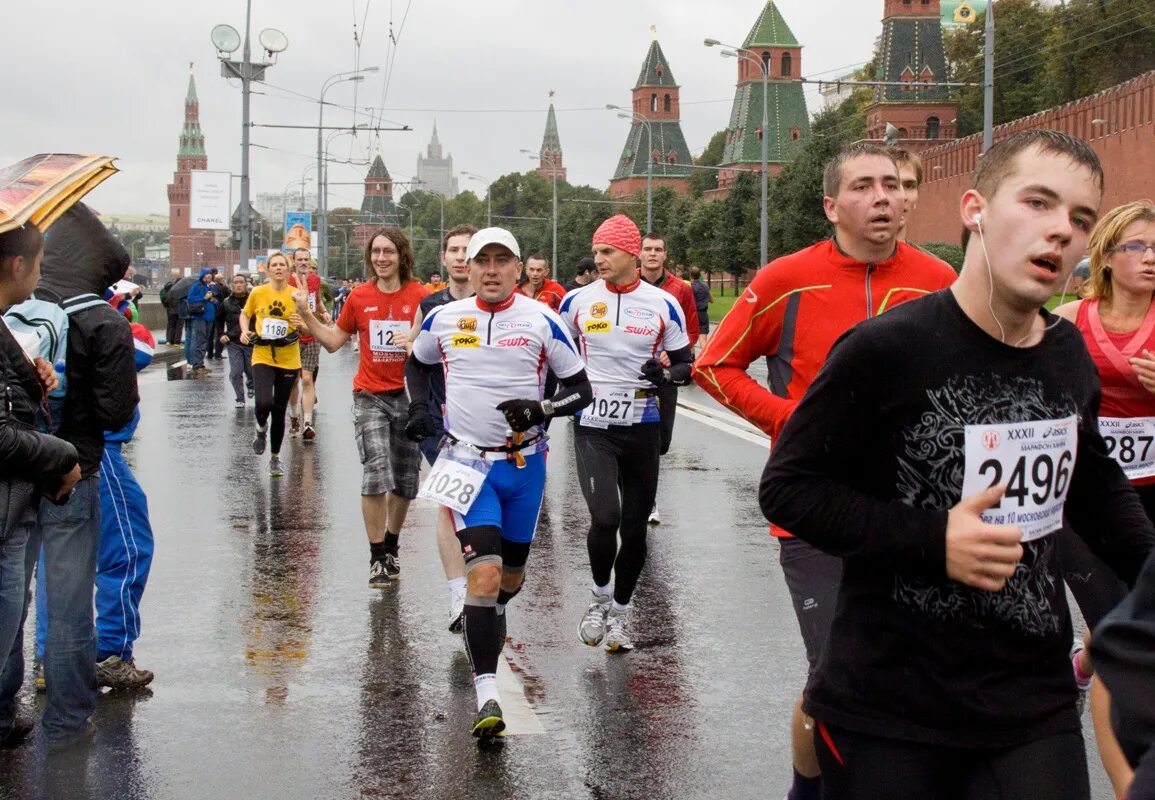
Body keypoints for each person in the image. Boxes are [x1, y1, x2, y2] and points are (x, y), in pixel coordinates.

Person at [760, 130, 1155, 799]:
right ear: (975, 208)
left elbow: (1091, 487)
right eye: (1036, 202)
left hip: (1030, 698)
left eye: (1079, 219)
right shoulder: (887, 348)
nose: (1059, 230)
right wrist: (933, 540)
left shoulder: (1065, 353)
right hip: (893, 702)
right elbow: (790, 490)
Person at [692, 142, 957, 800]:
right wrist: (788, 421)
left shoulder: (938, 280)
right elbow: (712, 365)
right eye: (864, 186)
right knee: (835, 672)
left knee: (907, 671)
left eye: (893, 185)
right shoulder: (787, 278)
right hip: (815, 515)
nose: (883, 197)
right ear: (831, 205)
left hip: (911, 515)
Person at [405, 227, 592, 740]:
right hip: (467, 465)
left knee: (508, 580)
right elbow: (416, 365)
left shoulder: (544, 320)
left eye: (500, 261)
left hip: (524, 468)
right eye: (481, 260)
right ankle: (487, 694)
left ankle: (492, 615)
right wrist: (420, 410)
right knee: (482, 579)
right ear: (467, 267)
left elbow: (582, 389)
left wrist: (542, 408)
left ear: (517, 269)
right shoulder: (444, 318)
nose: (490, 269)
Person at [1, 203, 138, 749]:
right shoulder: (104, 321)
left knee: (14, 596)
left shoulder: (27, 313)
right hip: (71, 471)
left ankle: (6, 710)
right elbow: (116, 415)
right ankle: (67, 717)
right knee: (69, 602)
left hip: (18, 477)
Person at [1055, 200, 1155, 797]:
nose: (1152, 259)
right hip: (1086, 499)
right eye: (1138, 247)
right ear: (1108, 257)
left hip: (1153, 493)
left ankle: (1085, 660)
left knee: (1139, 620)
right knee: (1121, 623)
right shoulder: (1069, 321)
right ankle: (1128, 786)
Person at [558, 215, 693, 652]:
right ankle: (598, 597)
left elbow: (686, 365)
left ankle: (620, 611)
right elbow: (555, 357)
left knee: (634, 531)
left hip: (642, 426)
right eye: (596, 251)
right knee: (605, 518)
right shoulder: (577, 301)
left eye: (607, 252)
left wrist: (666, 373)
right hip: (593, 425)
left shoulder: (662, 303)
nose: (599, 259)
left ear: (631, 255)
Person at [291, 228, 427, 586]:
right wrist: (306, 313)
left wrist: (414, 342)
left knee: (405, 481)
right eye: (376, 252)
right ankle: (377, 554)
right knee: (376, 470)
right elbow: (335, 342)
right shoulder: (359, 296)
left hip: (411, 398)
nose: (381, 258)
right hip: (369, 395)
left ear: (401, 256)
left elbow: (436, 347)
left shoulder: (420, 296)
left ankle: (393, 545)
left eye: (388, 252)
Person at [0, 223, 81, 747]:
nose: (41, 270)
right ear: (16, 265)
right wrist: (64, 457)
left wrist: (33, 376)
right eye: (39, 260)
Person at [409, 224, 477, 631]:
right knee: (453, 502)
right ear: (444, 258)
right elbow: (415, 358)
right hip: (440, 422)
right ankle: (458, 596)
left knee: (482, 505)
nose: (460, 257)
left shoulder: (499, 303)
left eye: (467, 250)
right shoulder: (431, 306)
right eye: (453, 250)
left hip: (488, 425)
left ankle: (484, 583)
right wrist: (418, 406)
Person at [638, 232, 699, 524]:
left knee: (661, 441)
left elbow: (692, 329)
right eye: (647, 249)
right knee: (637, 438)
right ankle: (646, 501)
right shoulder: (627, 285)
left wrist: (672, 355)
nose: (652, 254)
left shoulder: (680, 289)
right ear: (639, 254)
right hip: (633, 374)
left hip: (665, 374)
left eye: (657, 249)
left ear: (665, 255)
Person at [240, 252, 301, 478]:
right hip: (263, 355)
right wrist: (246, 330)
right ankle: (260, 428)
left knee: (279, 409)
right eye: (274, 265)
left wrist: (300, 322)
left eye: (281, 265)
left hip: (288, 357)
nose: (278, 268)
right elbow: (245, 315)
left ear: (288, 269)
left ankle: (275, 458)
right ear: (267, 269)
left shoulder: (296, 295)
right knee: (263, 401)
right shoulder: (257, 292)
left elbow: (307, 323)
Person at [288, 249, 330, 440]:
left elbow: (318, 301)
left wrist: (325, 312)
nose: (304, 262)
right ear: (294, 262)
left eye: (307, 259)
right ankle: (294, 416)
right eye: (300, 259)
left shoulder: (315, 280)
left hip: (312, 333)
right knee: (292, 381)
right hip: (292, 335)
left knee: (307, 378)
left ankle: (307, 422)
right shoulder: (287, 281)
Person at [219, 273, 255, 408]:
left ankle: (251, 384)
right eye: (236, 282)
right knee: (236, 371)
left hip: (251, 342)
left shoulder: (253, 300)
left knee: (251, 370)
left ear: (246, 284)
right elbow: (218, 320)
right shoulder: (226, 302)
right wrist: (221, 334)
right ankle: (240, 398)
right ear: (231, 285)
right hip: (233, 342)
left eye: (241, 282)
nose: (238, 285)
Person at [185, 267, 218, 378]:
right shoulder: (197, 286)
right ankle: (197, 365)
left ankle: (201, 364)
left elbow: (215, 301)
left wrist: (214, 300)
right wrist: (204, 297)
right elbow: (190, 299)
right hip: (200, 317)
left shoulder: (212, 287)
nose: (208, 277)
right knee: (199, 341)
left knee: (205, 340)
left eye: (210, 275)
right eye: (206, 275)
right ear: (202, 277)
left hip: (210, 317)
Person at [889, 147, 923, 242]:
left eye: (909, 186)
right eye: (891, 186)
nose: (902, 196)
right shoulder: (848, 256)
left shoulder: (926, 257)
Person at [209, 271, 229, 360]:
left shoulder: (211, 288)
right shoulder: (224, 288)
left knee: (210, 333)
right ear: (221, 280)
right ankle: (218, 353)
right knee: (220, 333)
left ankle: (209, 353)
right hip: (221, 313)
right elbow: (230, 297)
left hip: (212, 313)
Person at [689, 266, 712, 340]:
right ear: (700, 275)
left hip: (693, 314)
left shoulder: (690, 287)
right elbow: (711, 299)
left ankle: (692, 352)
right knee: (703, 336)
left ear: (691, 275)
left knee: (691, 337)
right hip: (703, 313)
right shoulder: (706, 285)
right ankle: (706, 351)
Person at [160, 272, 183, 346]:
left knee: (171, 325)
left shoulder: (170, 290)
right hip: (180, 311)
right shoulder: (182, 291)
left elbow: (166, 300)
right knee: (179, 326)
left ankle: (169, 341)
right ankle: (177, 342)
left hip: (170, 311)